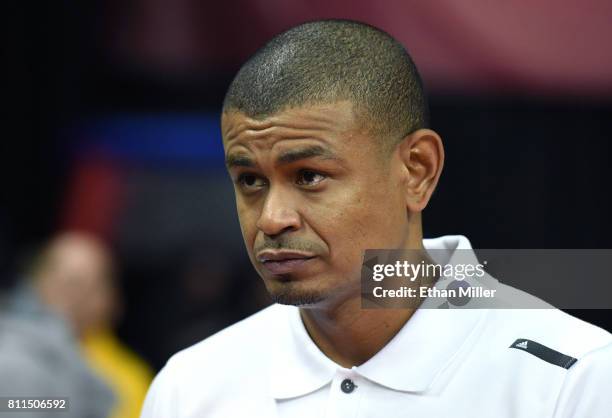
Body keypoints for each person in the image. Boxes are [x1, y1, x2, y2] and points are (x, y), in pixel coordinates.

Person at [140, 19, 612, 417]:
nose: (272, 219)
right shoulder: (189, 389)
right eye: (249, 180)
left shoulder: (573, 380)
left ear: (417, 170)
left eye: (309, 176)